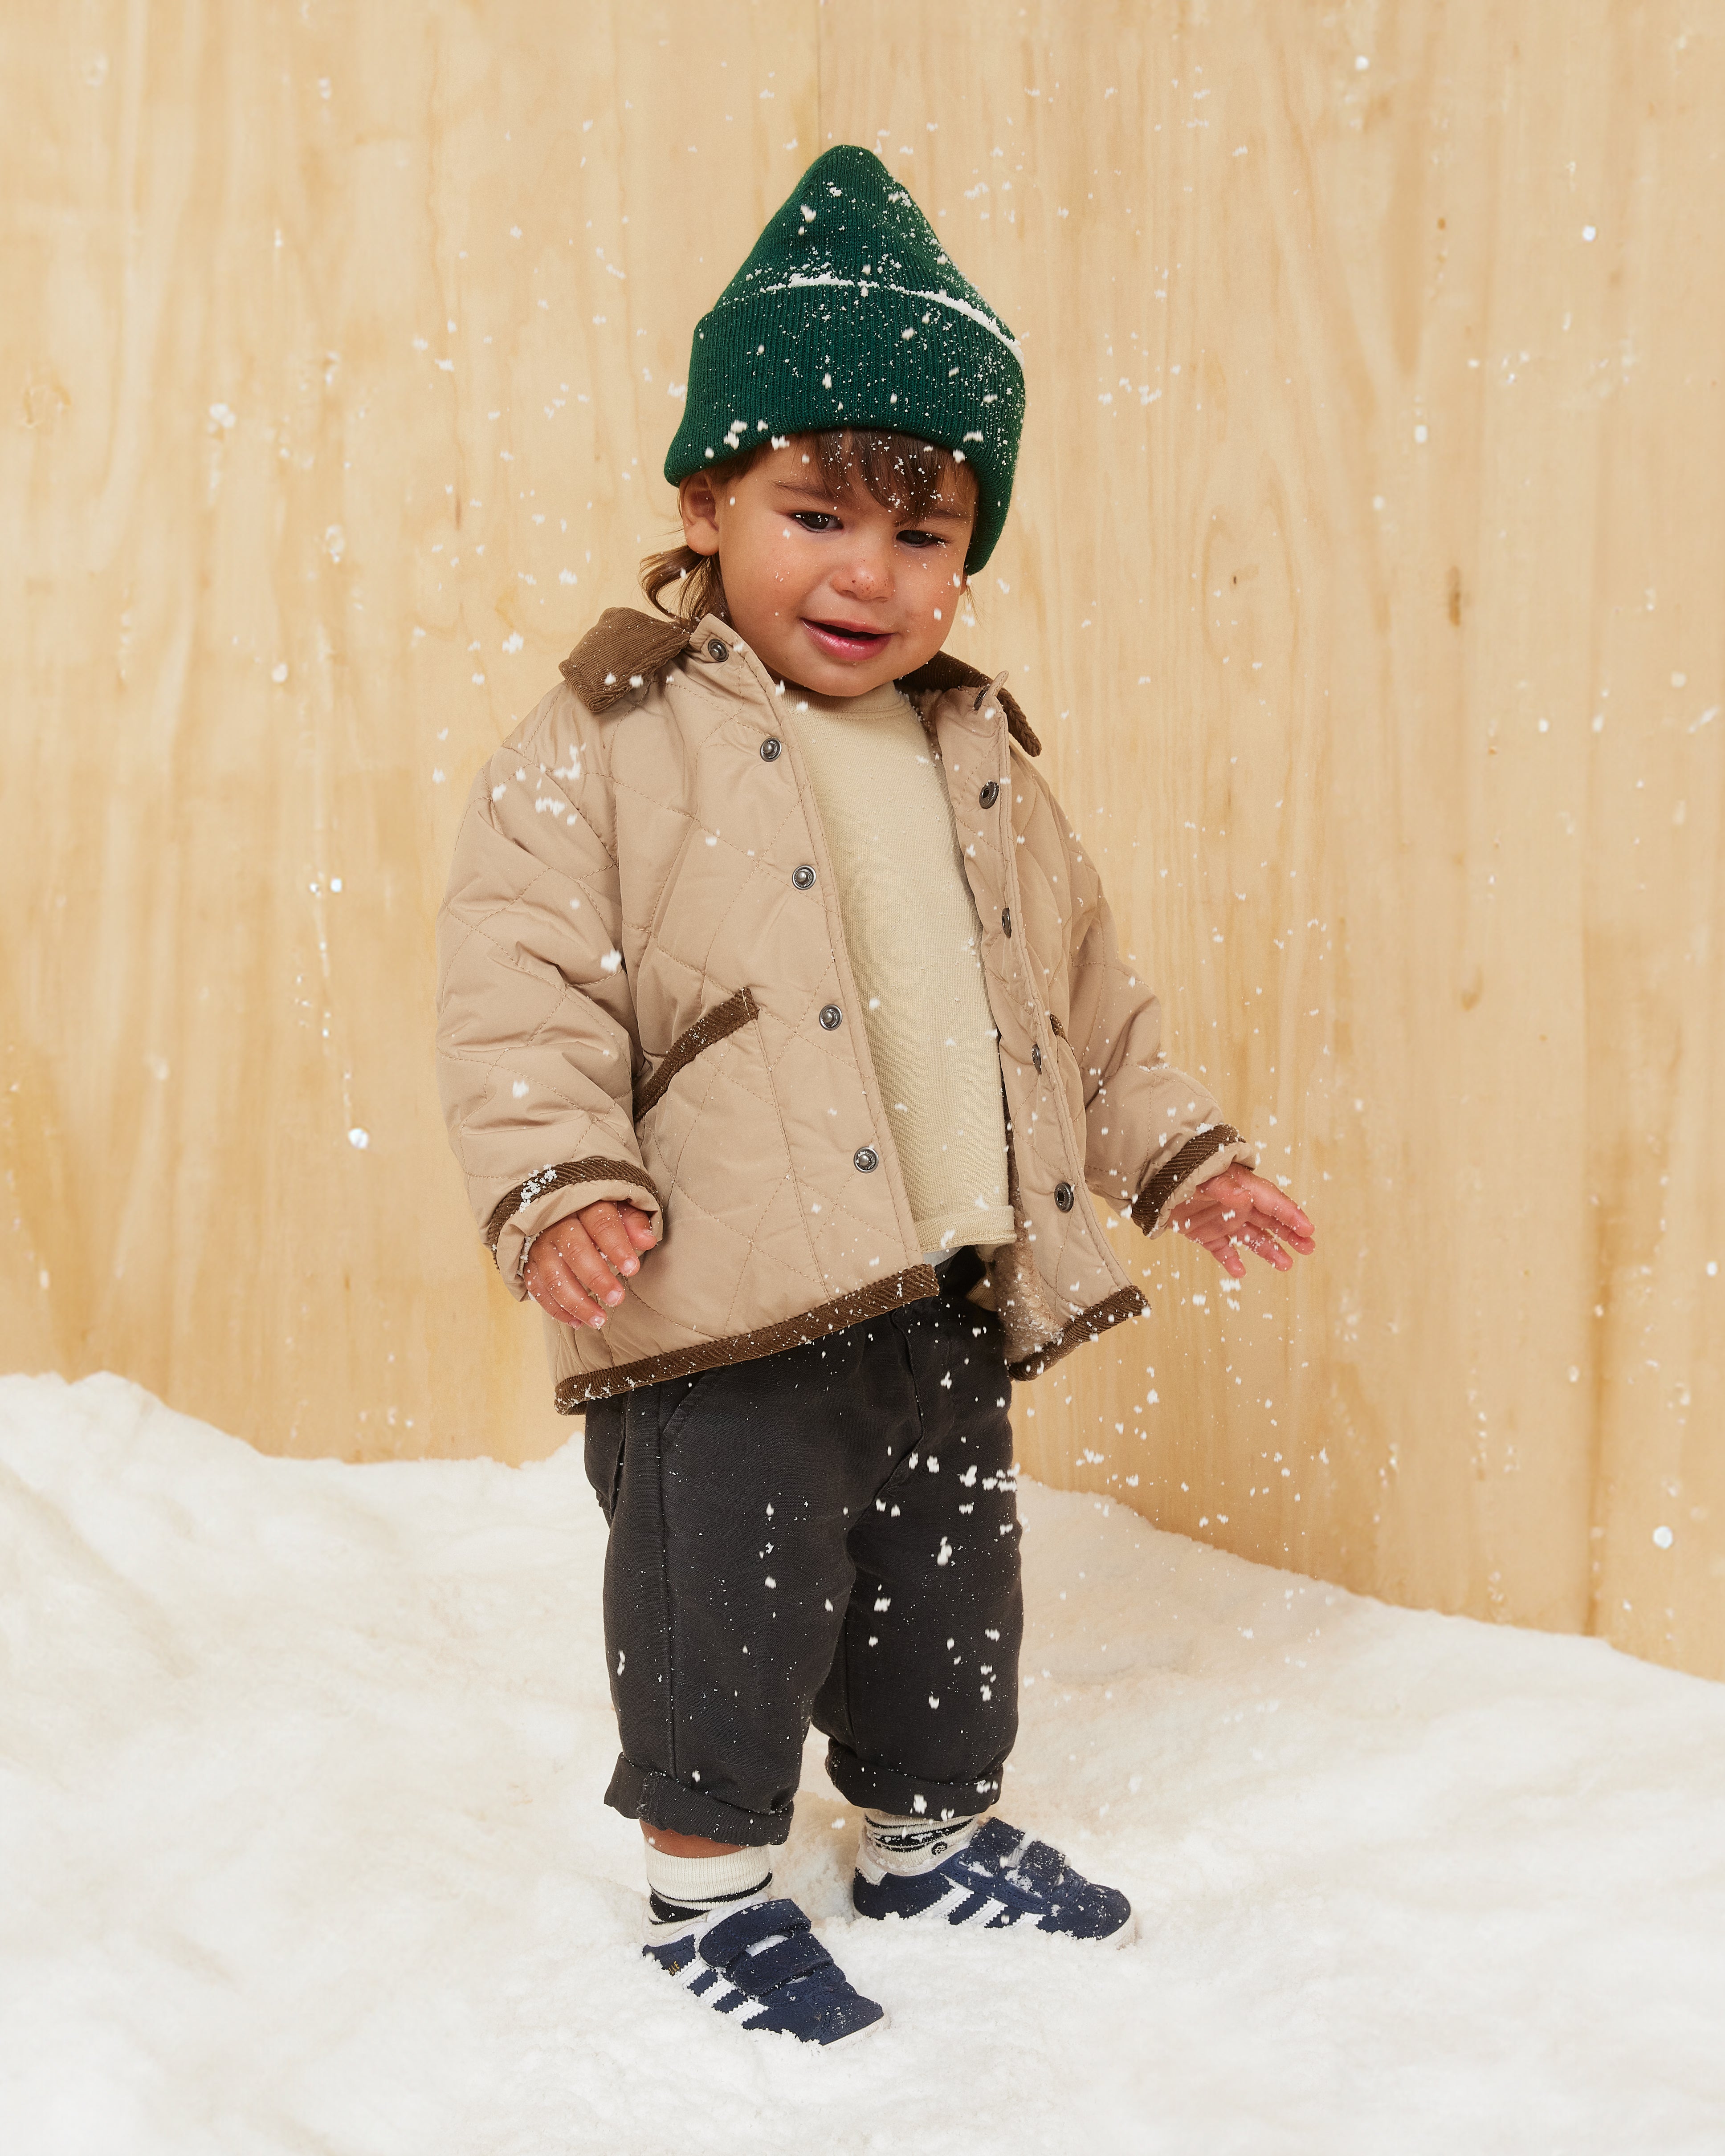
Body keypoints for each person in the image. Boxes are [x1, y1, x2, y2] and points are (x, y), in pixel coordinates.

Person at [436, 146, 1315, 2046]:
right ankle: (707, 1887)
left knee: (947, 1580)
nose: (868, 574)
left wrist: (1178, 1149)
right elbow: (517, 981)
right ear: (705, 498)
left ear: (970, 550)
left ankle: (927, 1829)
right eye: (814, 514)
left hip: (941, 1276)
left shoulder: (976, 744)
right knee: (722, 1606)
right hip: (721, 1293)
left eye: (922, 538)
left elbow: (1078, 990)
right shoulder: (608, 736)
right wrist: (562, 1173)